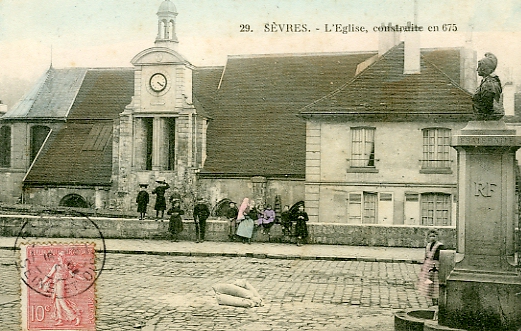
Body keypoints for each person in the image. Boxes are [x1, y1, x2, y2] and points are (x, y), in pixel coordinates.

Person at [39, 252, 82, 326]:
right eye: (60, 256)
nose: (61, 258)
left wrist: (81, 278)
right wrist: (43, 282)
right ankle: (60, 319)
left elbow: (72, 274)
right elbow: (49, 275)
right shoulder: (56, 266)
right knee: (57, 301)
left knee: (61, 301)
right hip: (56, 284)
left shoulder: (66, 266)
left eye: (62, 256)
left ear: (64, 257)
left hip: (61, 284)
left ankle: (76, 316)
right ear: (58, 257)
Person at [472, 52, 504, 121]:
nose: (477, 69)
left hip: (487, 119)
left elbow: (487, 105)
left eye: (479, 66)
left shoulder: (488, 84)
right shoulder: (487, 82)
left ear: (485, 68)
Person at [417, 230, 444, 306]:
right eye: (430, 236)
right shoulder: (428, 245)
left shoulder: (439, 246)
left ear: (437, 237)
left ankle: (437, 300)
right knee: (428, 282)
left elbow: (441, 257)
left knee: (435, 282)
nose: (432, 238)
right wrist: (423, 265)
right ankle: (431, 298)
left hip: (435, 266)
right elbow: (425, 256)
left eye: (434, 236)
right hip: (427, 266)